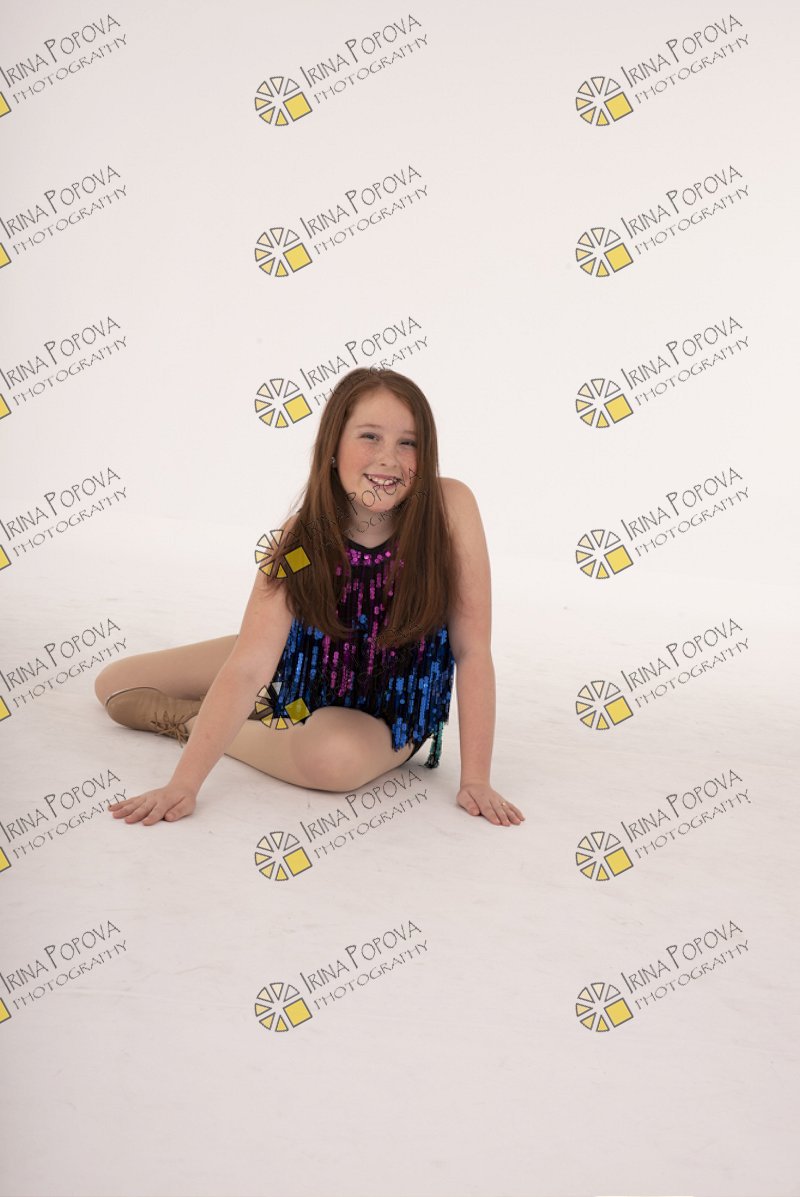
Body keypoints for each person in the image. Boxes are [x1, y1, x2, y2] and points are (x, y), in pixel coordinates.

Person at [98, 367, 525, 829]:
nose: (389, 459)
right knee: (114, 684)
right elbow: (250, 665)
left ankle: (190, 722)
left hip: (390, 711)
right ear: (333, 447)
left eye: (408, 442)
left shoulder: (450, 507)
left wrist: (476, 779)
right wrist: (183, 786)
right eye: (370, 436)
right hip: (302, 676)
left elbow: (472, 649)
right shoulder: (302, 539)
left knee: (333, 761)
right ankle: (261, 708)